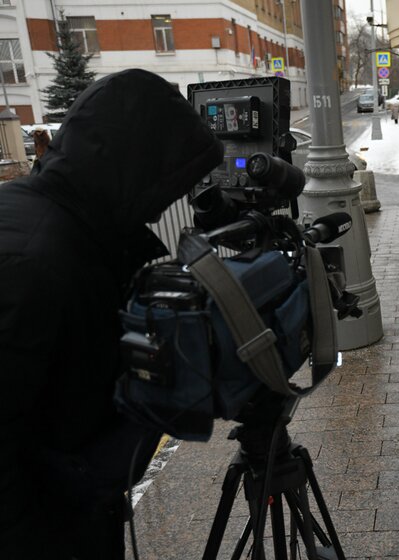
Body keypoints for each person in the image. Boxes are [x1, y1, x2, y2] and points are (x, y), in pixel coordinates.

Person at [0, 69, 224, 559]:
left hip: (67, 503)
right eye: (167, 182)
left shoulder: (61, 222)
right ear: (134, 168)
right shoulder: (38, 259)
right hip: (46, 530)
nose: (166, 202)